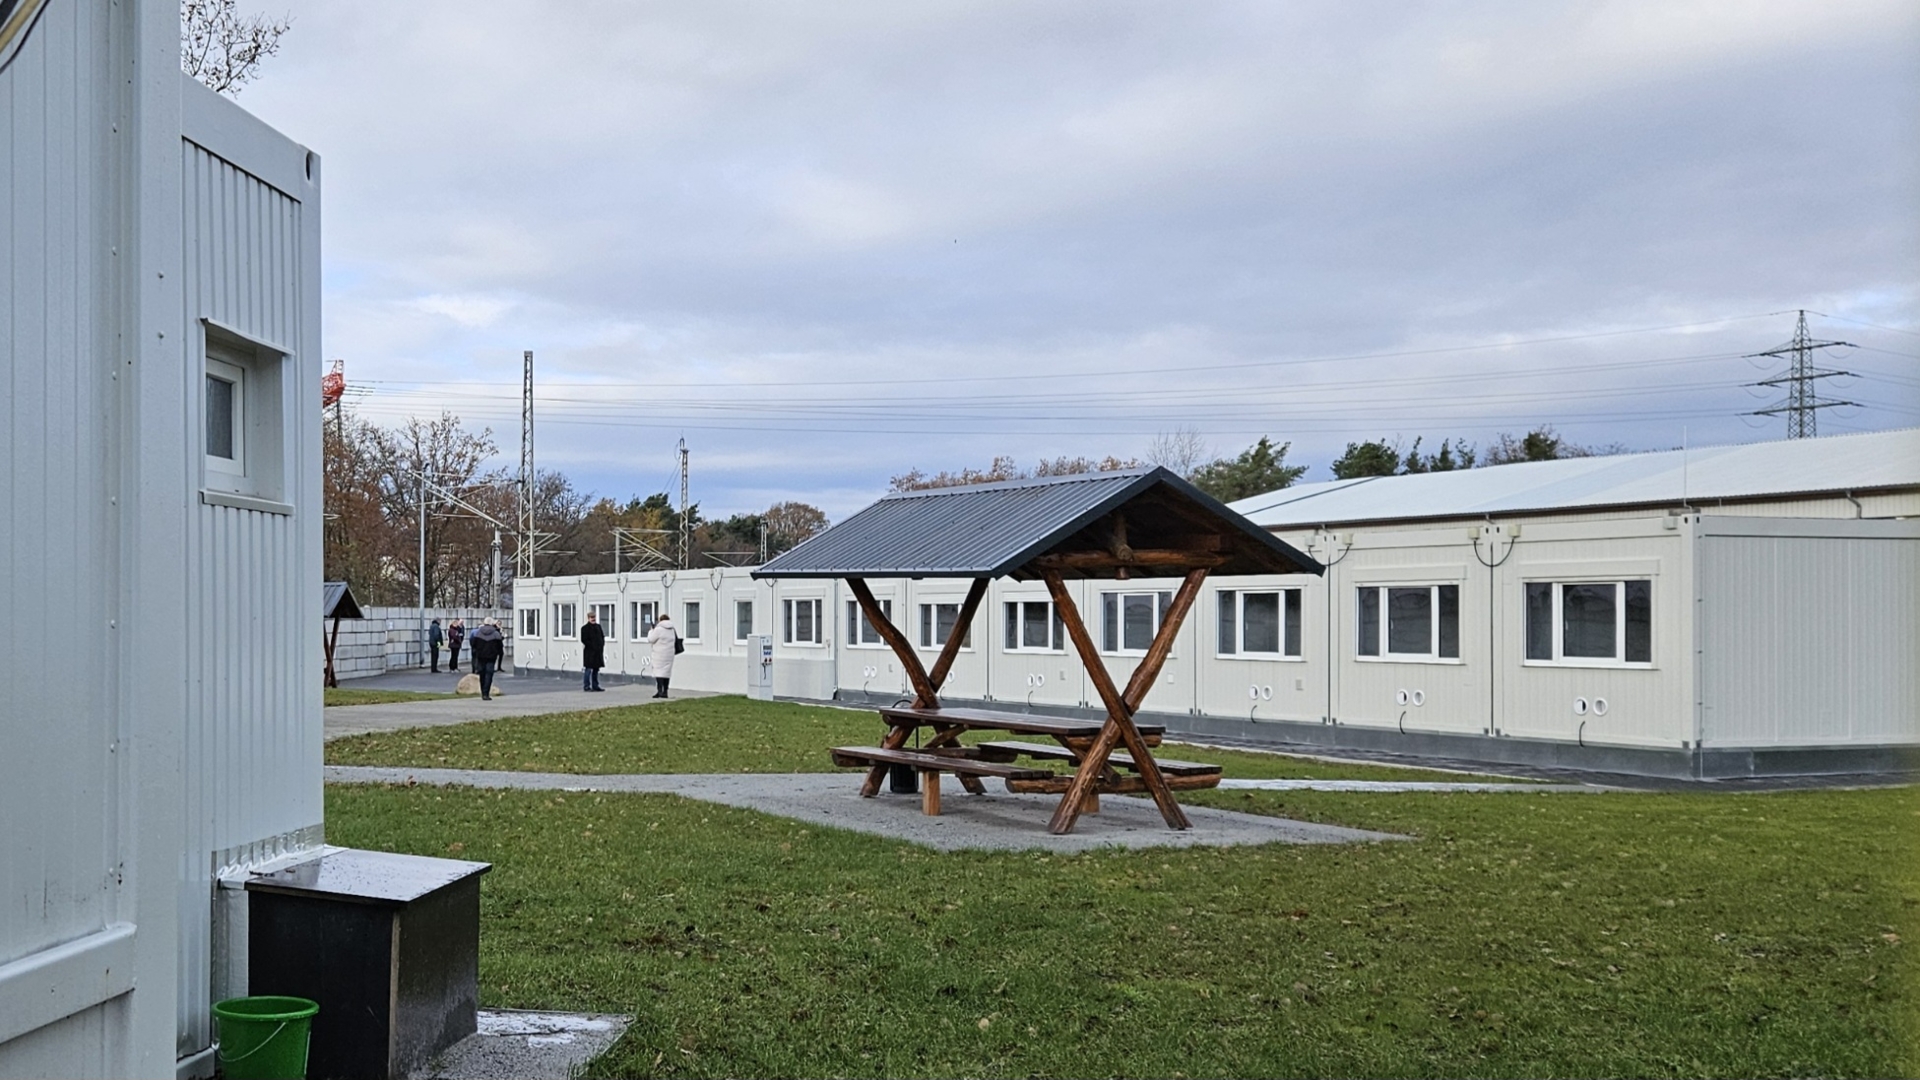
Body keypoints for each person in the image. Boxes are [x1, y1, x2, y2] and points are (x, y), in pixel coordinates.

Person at [468, 617, 505, 700]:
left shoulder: (478, 633)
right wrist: (497, 653)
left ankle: (483, 692)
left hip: (480, 656)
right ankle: (486, 693)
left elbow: (473, 644)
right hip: (491, 657)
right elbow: (500, 646)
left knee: (482, 674)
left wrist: (477, 652)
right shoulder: (495, 634)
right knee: (489, 674)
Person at [645, 613, 678, 698]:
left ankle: (659, 691)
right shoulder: (672, 629)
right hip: (669, 654)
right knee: (666, 673)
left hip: (659, 654)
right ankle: (665, 691)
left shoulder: (659, 629)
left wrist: (651, 630)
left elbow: (650, 639)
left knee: (659, 672)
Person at [580, 609, 605, 692]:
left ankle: (595, 685)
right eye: (591, 617)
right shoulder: (584, 628)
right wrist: (592, 646)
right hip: (589, 653)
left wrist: (601, 645)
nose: (593, 619)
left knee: (596, 669)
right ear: (588, 618)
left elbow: (602, 637)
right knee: (588, 669)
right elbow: (584, 640)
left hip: (597, 652)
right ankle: (586, 686)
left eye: (594, 617)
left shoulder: (598, 627)